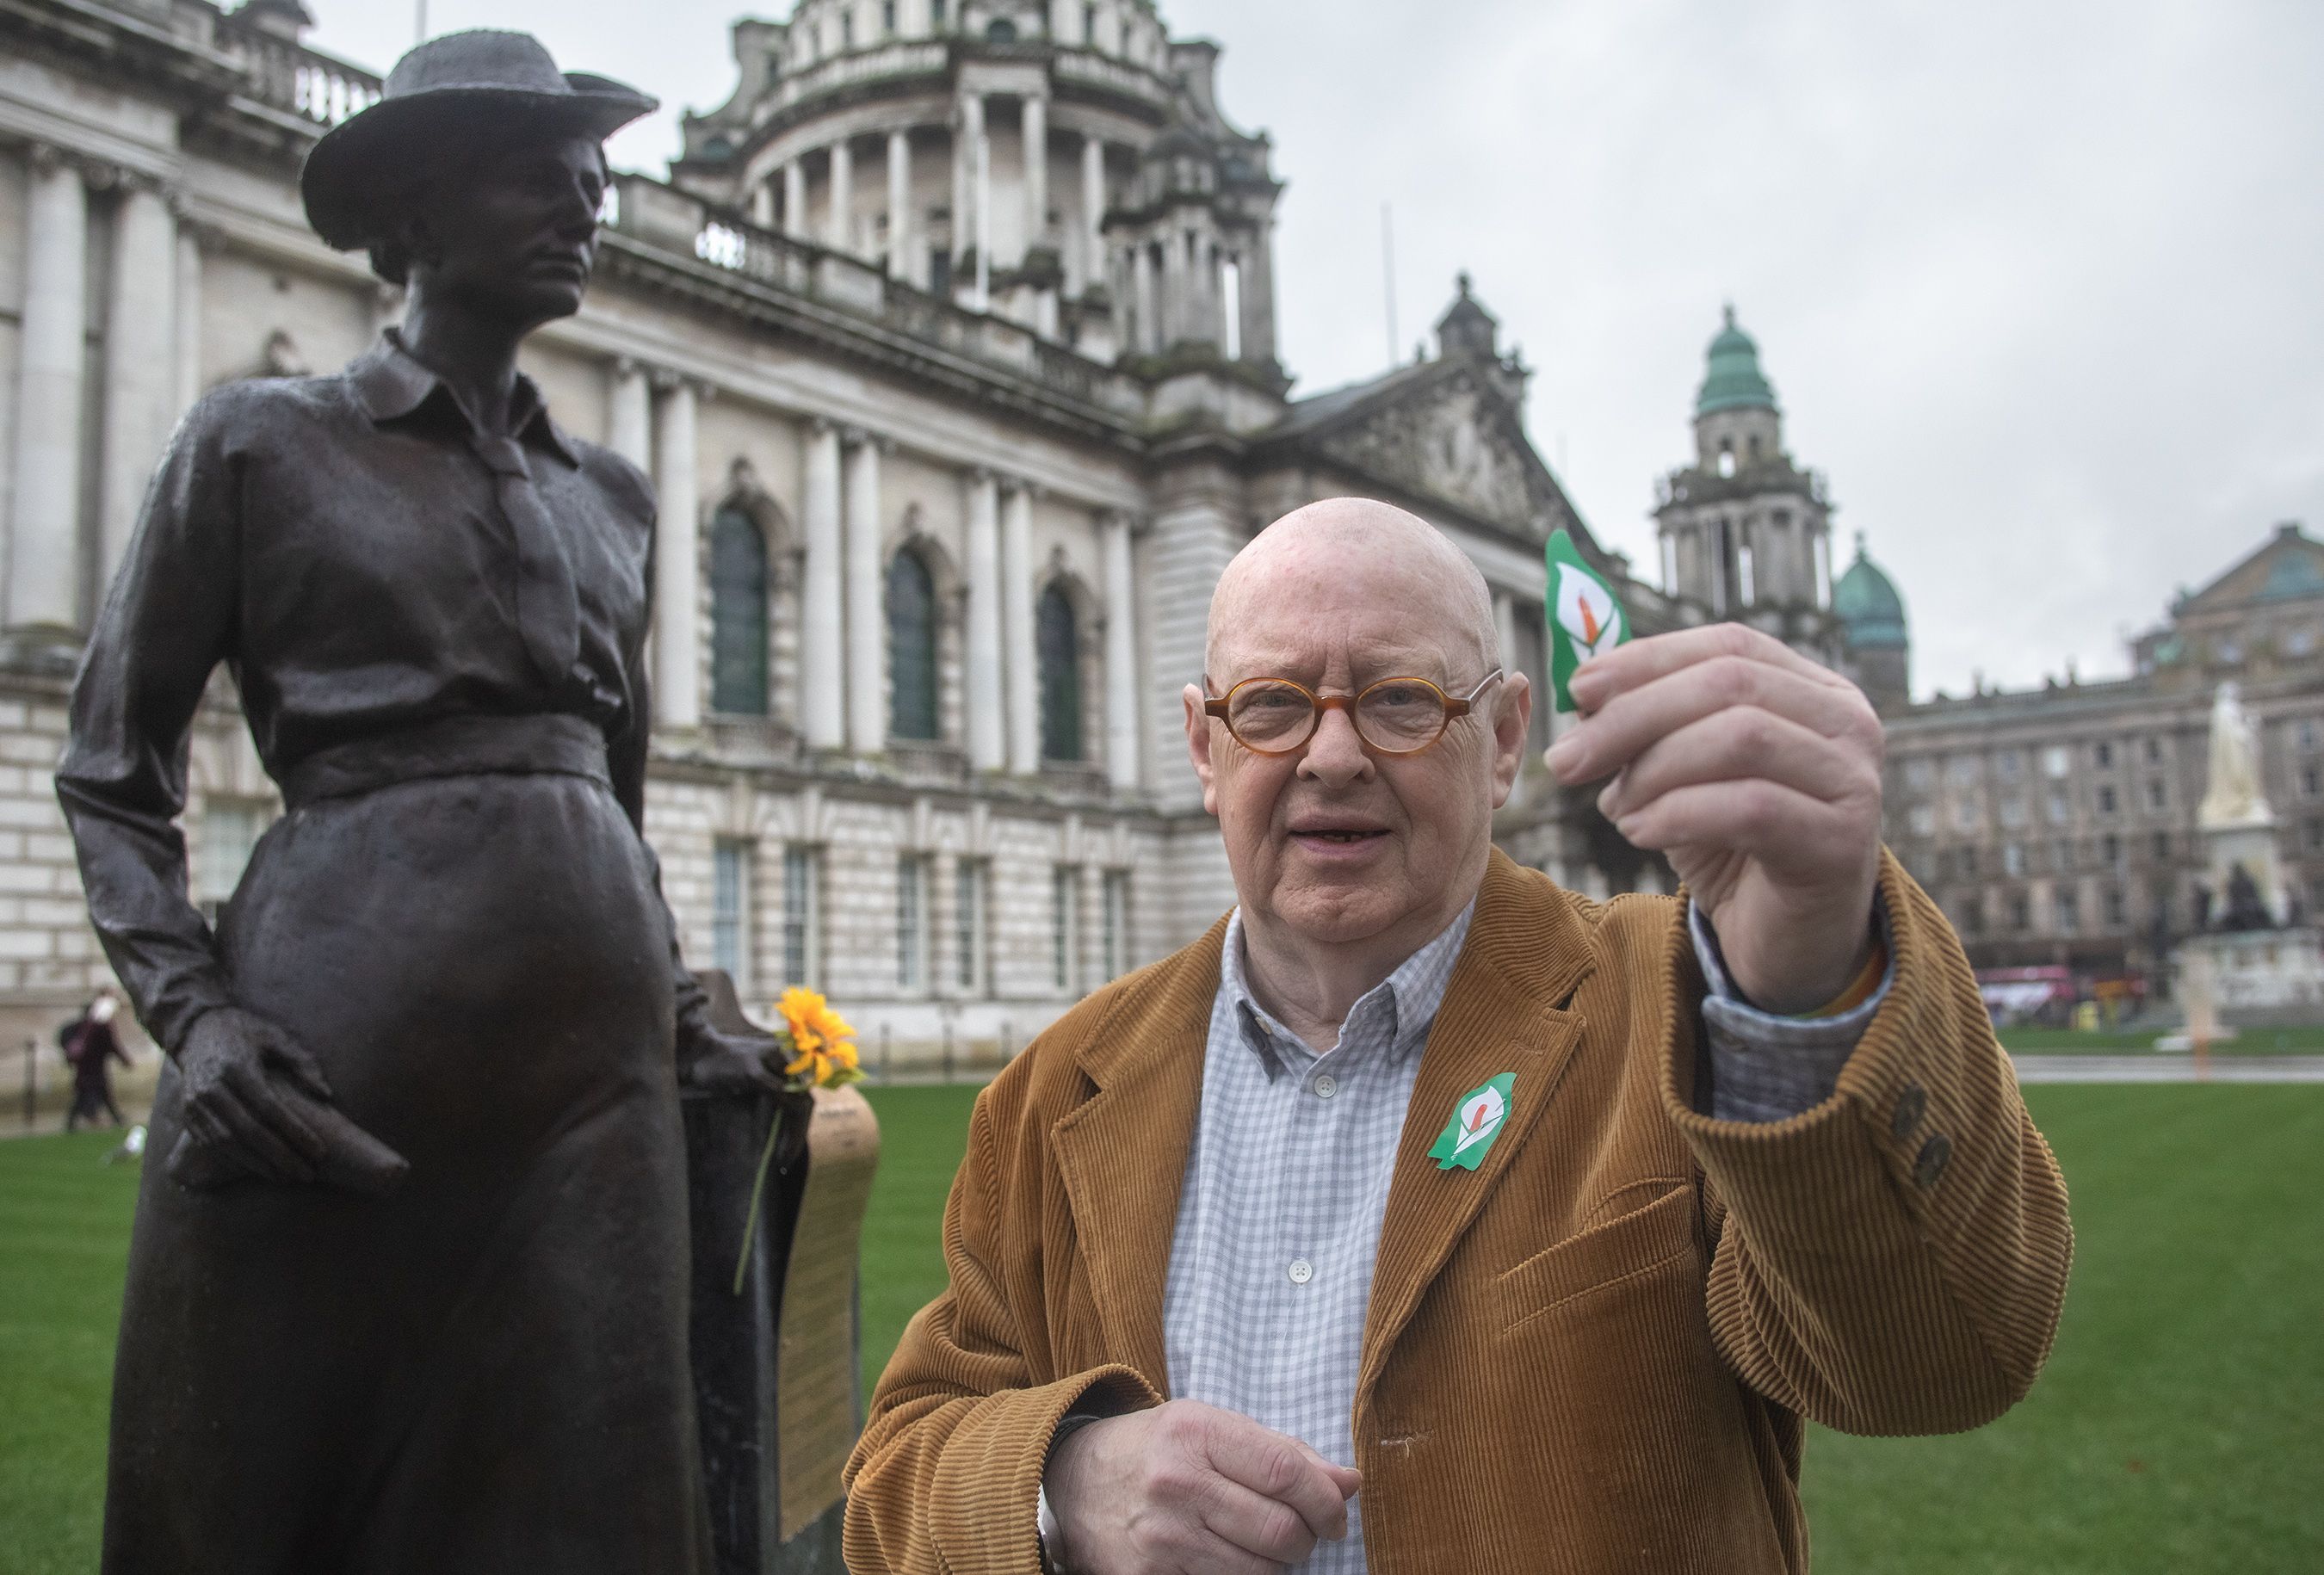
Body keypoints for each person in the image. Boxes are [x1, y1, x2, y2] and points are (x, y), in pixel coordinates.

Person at [844, 499, 2073, 1573]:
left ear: (1500, 739)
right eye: (1273, 704)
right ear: (1207, 748)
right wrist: (1059, 1486)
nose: (1331, 755)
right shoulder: (1055, 1088)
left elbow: (1936, 1361)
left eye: (1399, 699)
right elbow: (896, 1472)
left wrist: (1803, 986)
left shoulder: (1675, 997)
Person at [57, 32, 781, 1572]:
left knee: (603, 1501)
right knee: (258, 1487)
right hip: (333, 1051)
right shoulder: (254, 443)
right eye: (539, 168)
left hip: (597, 1084)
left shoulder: (616, 501)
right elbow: (113, 766)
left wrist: (677, 1006)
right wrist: (195, 1015)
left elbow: (620, 807)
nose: (585, 198)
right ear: (414, 208)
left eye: (593, 172)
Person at [63, 988, 132, 1132]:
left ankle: (114, 1118)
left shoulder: (84, 1027)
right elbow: (112, 1045)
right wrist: (124, 1060)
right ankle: (110, 1118)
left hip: (86, 1068)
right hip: (93, 1067)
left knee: (93, 1093)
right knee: (95, 1093)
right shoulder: (97, 1028)